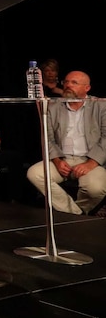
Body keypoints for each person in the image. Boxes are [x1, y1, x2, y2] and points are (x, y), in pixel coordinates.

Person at [26, 71, 106, 215]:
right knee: (34, 173)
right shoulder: (53, 106)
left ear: (87, 88)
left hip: (91, 160)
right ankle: (76, 214)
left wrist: (90, 163)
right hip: (62, 158)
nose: (68, 85)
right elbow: (47, 138)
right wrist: (57, 161)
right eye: (66, 82)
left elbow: (105, 138)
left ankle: (75, 212)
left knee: (96, 188)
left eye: (74, 83)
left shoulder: (101, 105)